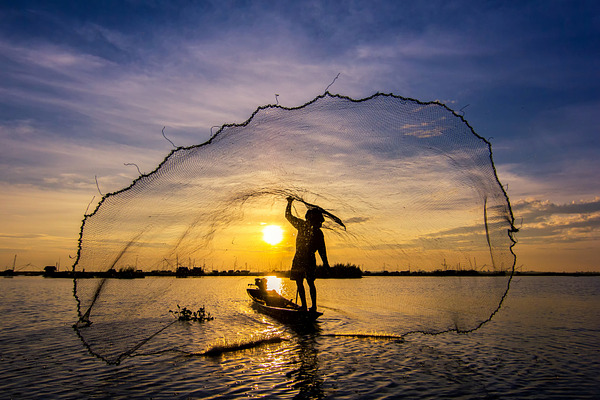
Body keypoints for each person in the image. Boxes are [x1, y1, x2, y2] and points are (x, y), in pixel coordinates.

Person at [285, 196, 330, 312]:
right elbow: (322, 251)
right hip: (307, 258)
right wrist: (326, 264)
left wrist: (289, 203)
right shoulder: (315, 230)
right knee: (307, 282)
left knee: (303, 282)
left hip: (302, 258)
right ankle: (310, 307)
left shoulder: (304, 226)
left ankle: (306, 307)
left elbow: (322, 250)